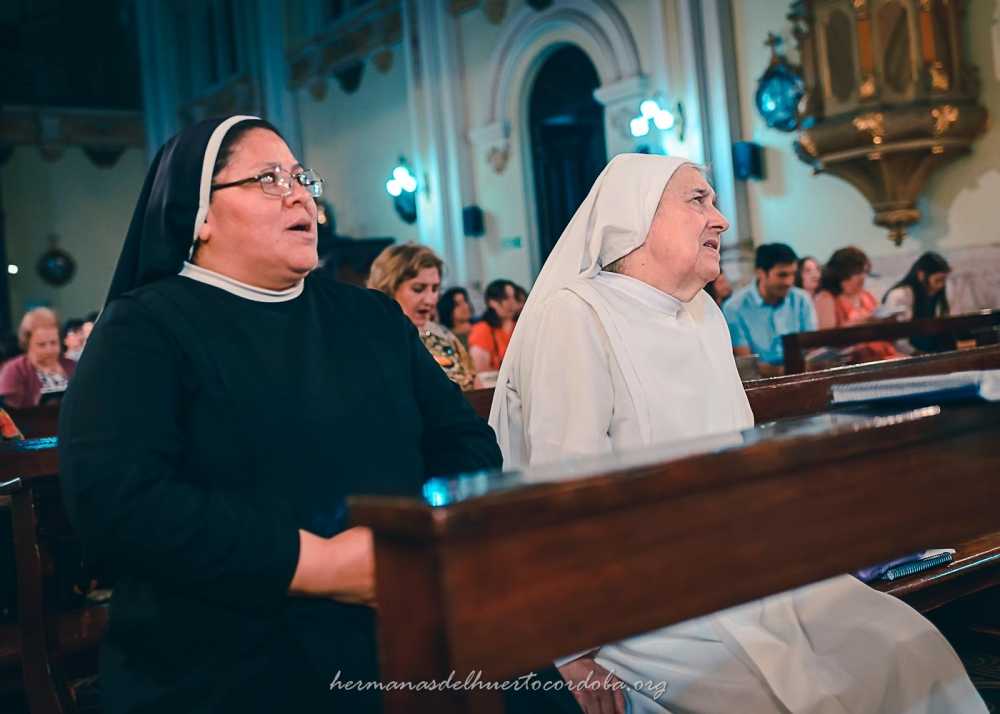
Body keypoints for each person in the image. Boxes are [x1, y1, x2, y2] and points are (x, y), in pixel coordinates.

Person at [489, 154, 985, 714]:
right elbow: (557, 492)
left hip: (746, 562)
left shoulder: (703, 313)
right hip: (639, 596)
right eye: (698, 200)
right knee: (797, 698)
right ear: (636, 216)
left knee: (908, 648)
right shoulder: (576, 315)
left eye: (716, 202)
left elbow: (742, 453)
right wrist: (571, 649)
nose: (721, 219)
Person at [56, 116, 513, 714]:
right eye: (269, 178)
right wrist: (316, 564)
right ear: (200, 214)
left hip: (405, 615)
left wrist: (412, 538)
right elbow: (117, 501)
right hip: (226, 652)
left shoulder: (372, 318)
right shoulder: (144, 329)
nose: (300, 196)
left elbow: (467, 444)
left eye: (302, 178)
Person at [368, 243, 478, 391]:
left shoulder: (443, 335)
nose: (431, 300)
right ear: (388, 289)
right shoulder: (374, 342)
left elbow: (475, 384)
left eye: (435, 289)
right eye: (418, 289)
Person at [723, 243, 817, 377]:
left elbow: (811, 351)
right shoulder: (734, 308)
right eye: (782, 275)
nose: (789, 282)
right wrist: (788, 371)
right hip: (762, 383)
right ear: (760, 273)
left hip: (803, 378)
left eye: (793, 274)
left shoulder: (801, 299)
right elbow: (748, 366)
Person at [815, 246, 899, 362]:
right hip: (850, 360)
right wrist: (865, 321)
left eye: (864, 272)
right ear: (842, 273)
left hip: (881, 354)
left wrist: (887, 320)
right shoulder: (826, 297)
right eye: (857, 272)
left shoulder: (866, 296)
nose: (862, 277)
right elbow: (828, 337)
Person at [0, 307, 76, 408]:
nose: (49, 350)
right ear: (27, 344)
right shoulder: (14, 370)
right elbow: (11, 413)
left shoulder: (72, 366)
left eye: (53, 342)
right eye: (41, 344)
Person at [883, 251, 952, 353]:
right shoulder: (900, 295)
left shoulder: (936, 293)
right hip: (907, 355)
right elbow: (899, 340)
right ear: (921, 275)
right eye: (937, 280)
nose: (941, 285)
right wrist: (917, 354)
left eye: (943, 280)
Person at [468, 279, 518, 373]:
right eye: (505, 298)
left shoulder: (519, 327)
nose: (512, 303)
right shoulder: (482, 329)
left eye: (514, 297)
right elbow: (481, 371)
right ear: (491, 302)